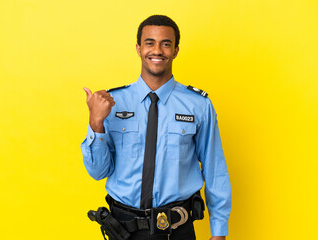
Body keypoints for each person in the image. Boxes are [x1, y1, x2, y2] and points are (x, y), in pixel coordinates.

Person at [81, 15, 231, 240]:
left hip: (176, 230)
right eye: (149, 43)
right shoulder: (113, 103)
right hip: (122, 230)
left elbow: (214, 169)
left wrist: (219, 232)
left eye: (166, 44)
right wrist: (96, 123)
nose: (157, 50)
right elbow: (98, 172)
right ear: (138, 48)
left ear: (176, 50)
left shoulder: (198, 105)